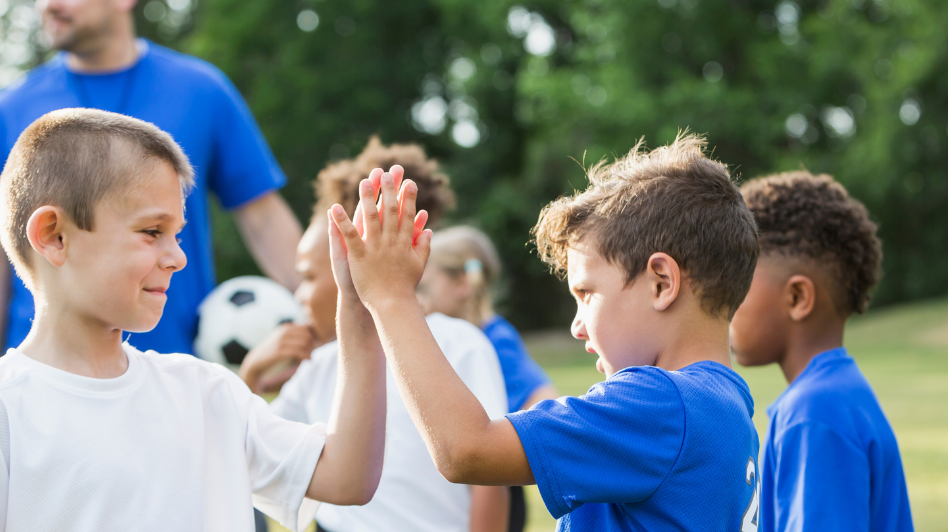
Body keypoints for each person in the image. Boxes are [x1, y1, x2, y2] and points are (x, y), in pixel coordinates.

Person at [0, 109, 388, 532]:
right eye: (152, 232)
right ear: (54, 235)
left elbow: (348, 478)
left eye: (177, 234)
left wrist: (358, 310)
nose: (178, 258)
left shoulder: (206, 393)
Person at [330, 134, 764, 530]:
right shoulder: (729, 408)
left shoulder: (660, 404)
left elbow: (466, 450)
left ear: (661, 283)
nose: (577, 325)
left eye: (587, 293)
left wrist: (390, 298)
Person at [0, 0, 302, 388]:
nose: (48, 2)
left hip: (176, 373)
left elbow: (264, 220)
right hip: (46, 380)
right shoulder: (5, 111)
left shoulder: (202, 91)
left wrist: (329, 325)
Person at [240, 138, 511, 532]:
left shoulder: (458, 342)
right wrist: (250, 377)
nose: (297, 294)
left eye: (308, 276)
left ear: (351, 267)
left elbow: (490, 480)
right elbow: (252, 455)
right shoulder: (318, 365)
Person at [730, 171, 913, 532]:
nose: (725, 300)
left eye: (738, 282)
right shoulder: (835, 396)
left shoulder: (814, 414)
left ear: (797, 298)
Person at [417, 225, 558, 532]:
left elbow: (544, 397)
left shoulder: (494, 339)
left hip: (494, 487)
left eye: (425, 287)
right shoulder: (449, 338)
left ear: (462, 284)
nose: (419, 298)